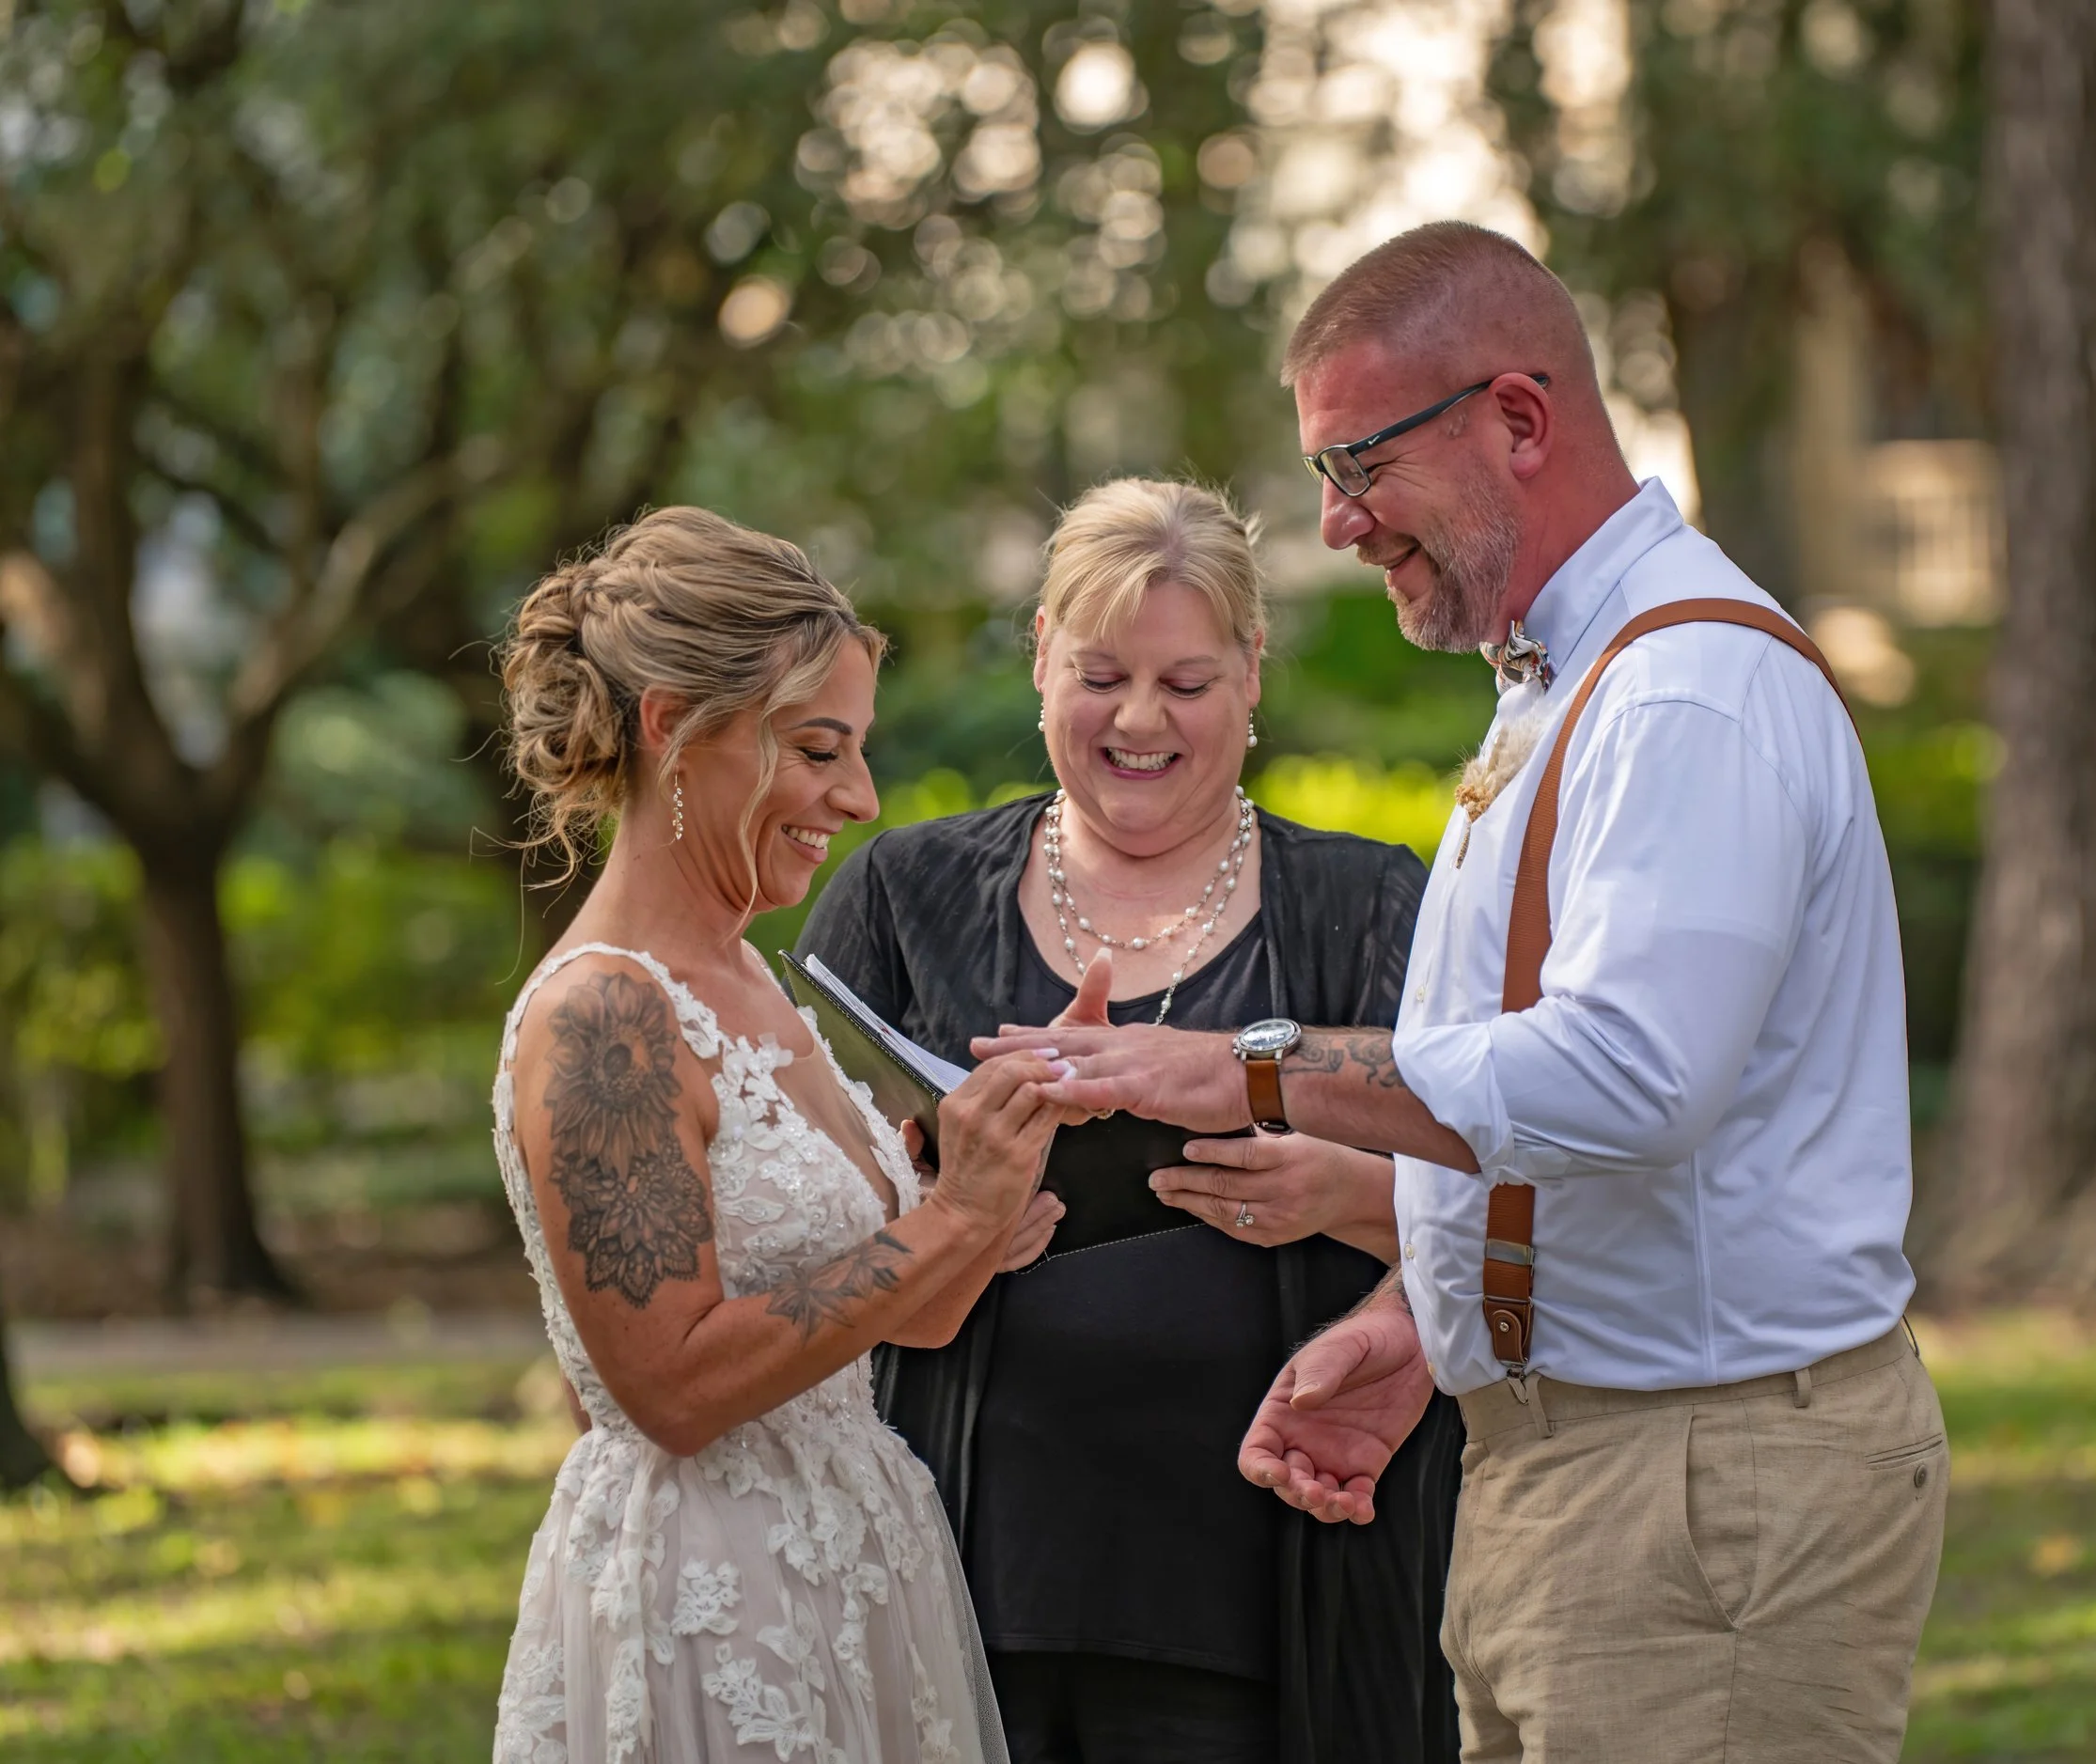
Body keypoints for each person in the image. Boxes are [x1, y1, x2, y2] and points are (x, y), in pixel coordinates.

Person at [978, 224, 1947, 1763]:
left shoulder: (1686, 691)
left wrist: (1257, 1067)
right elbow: (1603, 1128)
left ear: (1519, 417)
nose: (1335, 521)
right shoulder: (1570, 681)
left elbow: (1632, 1078)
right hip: (1578, 1473)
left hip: (1699, 1493)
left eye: (1358, 461)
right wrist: (1435, 1330)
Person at [797, 477, 1460, 1764]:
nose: (1141, 719)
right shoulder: (902, 895)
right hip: (965, 1563)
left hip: (1276, 1577)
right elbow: (797, 1219)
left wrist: (1342, 1190)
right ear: (1040, 655)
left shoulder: (1373, 905)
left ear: (1253, 675)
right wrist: (943, 1196)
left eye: (1189, 682)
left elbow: (1510, 1195)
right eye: (1101, 674)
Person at [489, 507, 1078, 1764]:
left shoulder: (761, 984)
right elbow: (677, 1389)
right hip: (712, 1591)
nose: (857, 797)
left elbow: (907, 1316)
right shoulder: (606, 1017)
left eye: (857, 751)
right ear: (673, 730)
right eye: (818, 749)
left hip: (861, 1562)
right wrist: (952, 1226)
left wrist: (987, 1188)